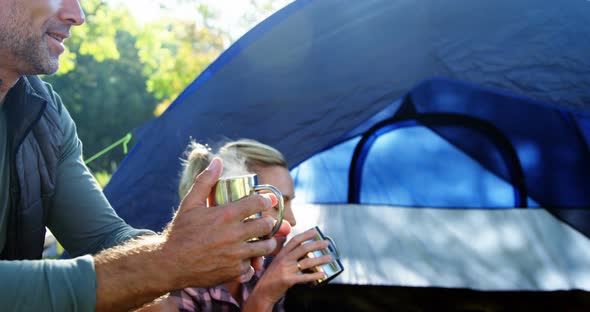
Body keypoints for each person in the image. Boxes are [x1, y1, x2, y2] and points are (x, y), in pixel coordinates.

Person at [0, 1, 289, 311]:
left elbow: (104, 237)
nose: (77, 16)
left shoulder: (44, 111)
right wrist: (167, 261)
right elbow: (154, 263)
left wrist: (197, 245)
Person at [141, 139, 332, 312]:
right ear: (232, 205)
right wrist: (265, 295)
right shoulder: (174, 287)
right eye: (277, 205)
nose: (292, 220)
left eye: (290, 203)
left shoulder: (264, 266)